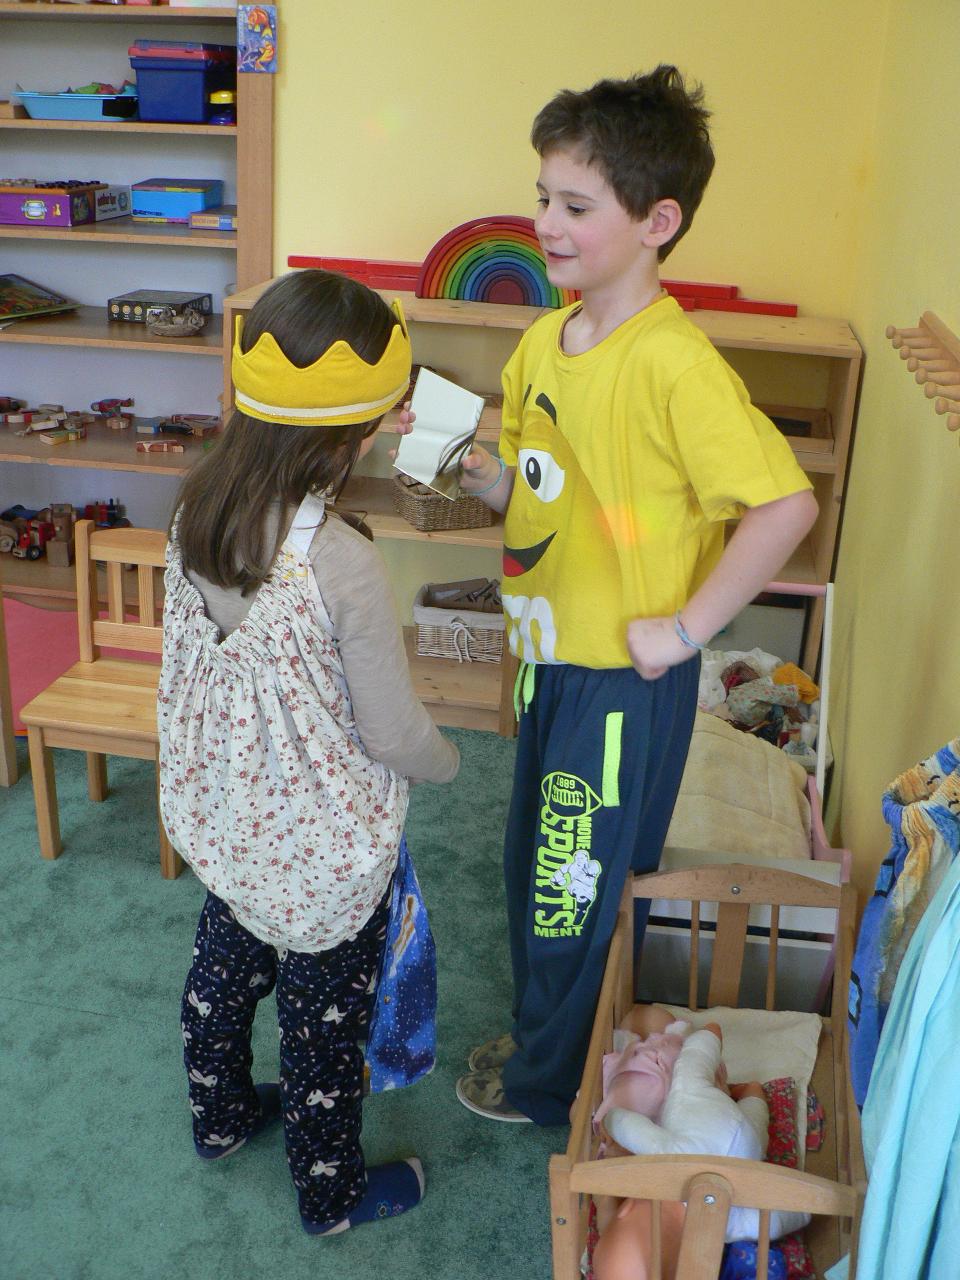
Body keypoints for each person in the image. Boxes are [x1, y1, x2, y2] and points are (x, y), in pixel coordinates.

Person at [431, 65, 818, 1123]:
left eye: (575, 205)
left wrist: (686, 630)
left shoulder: (676, 364)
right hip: (551, 663)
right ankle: (554, 1039)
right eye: (543, 198)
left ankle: (551, 1083)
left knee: (573, 891)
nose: (546, 225)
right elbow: (540, 493)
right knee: (537, 873)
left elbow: (784, 506)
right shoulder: (541, 341)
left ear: (658, 221)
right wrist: (486, 476)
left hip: (620, 682)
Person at [157, 269, 460, 1234]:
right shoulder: (342, 560)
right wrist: (447, 761)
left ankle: (217, 1119)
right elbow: (392, 733)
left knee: (222, 973)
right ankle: (330, 1196)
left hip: (225, 812)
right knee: (323, 1034)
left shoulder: (195, 508)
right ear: (352, 436)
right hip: (320, 848)